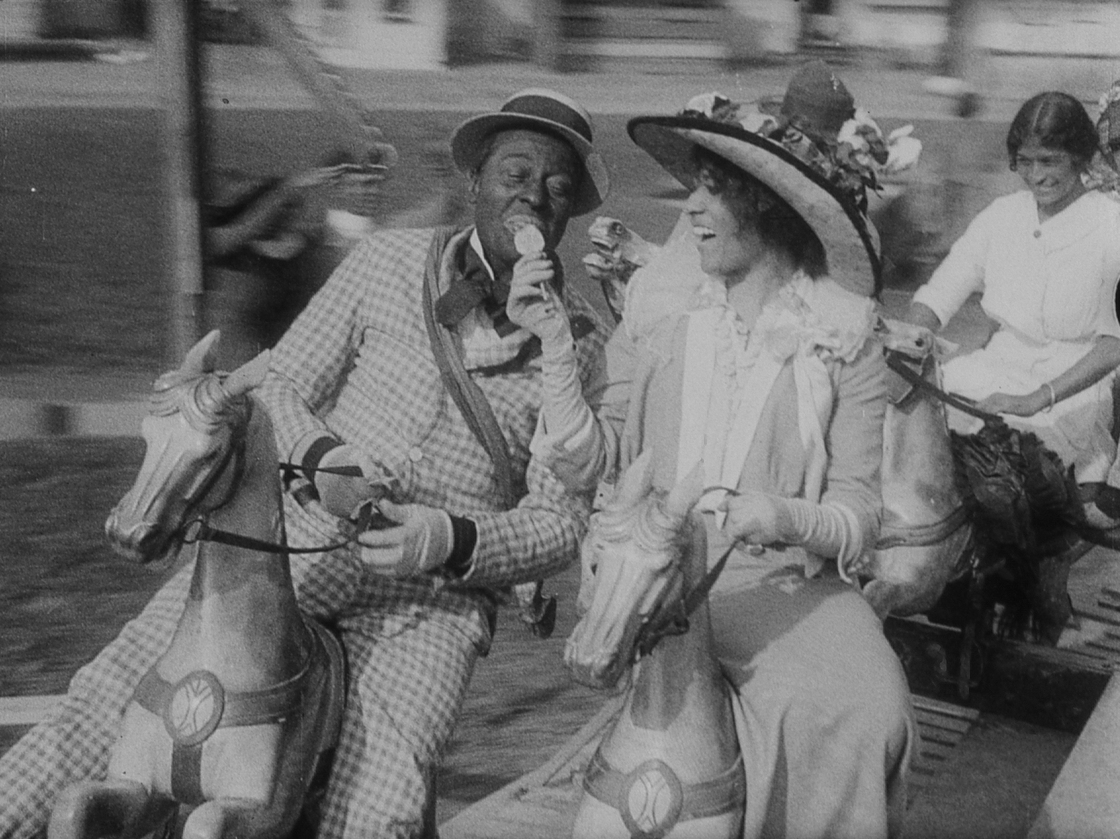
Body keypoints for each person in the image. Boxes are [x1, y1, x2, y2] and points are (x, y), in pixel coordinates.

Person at [0, 88, 611, 839]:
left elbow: (560, 523)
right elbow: (278, 380)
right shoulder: (386, 261)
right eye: (518, 173)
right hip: (286, 547)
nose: (534, 197)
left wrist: (445, 538)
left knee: (379, 798)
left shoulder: (577, 341)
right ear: (477, 181)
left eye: (556, 188)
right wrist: (320, 455)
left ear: (569, 213)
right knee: (109, 693)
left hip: (426, 605)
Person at [513, 61, 916, 839]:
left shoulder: (844, 338)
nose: (690, 208)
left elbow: (860, 512)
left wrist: (784, 513)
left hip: (784, 587)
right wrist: (556, 345)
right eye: (694, 188)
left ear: (769, 211)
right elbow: (597, 460)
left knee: (874, 710)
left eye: (712, 192)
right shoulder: (663, 319)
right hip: (654, 577)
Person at [904, 90, 1120, 528]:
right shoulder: (1001, 215)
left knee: (997, 467)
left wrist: (1034, 399)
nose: (1036, 176)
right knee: (912, 425)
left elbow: (1114, 344)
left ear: (1079, 158)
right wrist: (908, 341)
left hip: (1069, 391)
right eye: (1025, 161)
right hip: (994, 367)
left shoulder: (1110, 227)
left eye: (1050, 161)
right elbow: (940, 292)